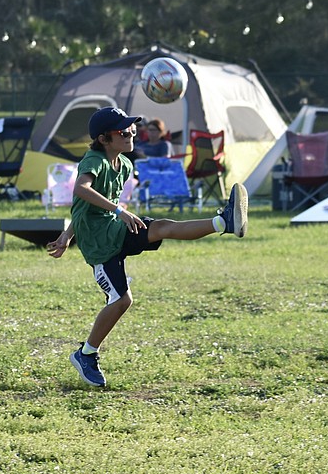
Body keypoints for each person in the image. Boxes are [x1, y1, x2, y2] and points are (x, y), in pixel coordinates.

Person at [46, 106, 248, 387]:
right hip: (100, 244)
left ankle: (224, 222)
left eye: (132, 127)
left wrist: (70, 235)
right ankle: (86, 354)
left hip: (114, 229)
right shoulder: (94, 159)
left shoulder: (125, 165)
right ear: (104, 139)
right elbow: (81, 191)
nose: (131, 132)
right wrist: (112, 215)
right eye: (123, 130)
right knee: (122, 300)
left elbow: (86, 206)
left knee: (163, 226)